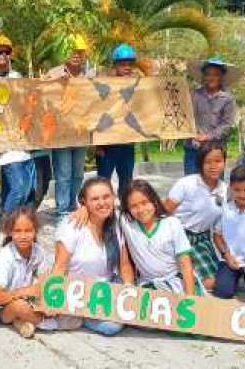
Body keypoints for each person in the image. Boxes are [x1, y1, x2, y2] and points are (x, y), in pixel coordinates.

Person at [49, 177, 134, 335]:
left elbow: (124, 265)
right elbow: (59, 267)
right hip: (79, 293)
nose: (102, 203)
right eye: (95, 199)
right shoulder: (71, 225)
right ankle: (80, 315)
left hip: (107, 288)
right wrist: (52, 299)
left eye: (106, 196)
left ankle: (84, 316)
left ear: (114, 197)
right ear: (84, 202)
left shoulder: (116, 223)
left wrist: (129, 288)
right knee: (111, 326)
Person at [44, 34, 94, 221]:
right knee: (63, 174)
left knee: (78, 174)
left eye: (80, 52)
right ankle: (62, 210)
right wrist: (53, 83)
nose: (76, 55)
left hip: (80, 134)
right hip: (61, 135)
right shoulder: (54, 73)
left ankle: (75, 206)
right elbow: (41, 94)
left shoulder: (89, 75)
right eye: (72, 51)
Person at [164, 142, 227, 291]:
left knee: (221, 281)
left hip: (203, 240)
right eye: (208, 162)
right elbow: (164, 212)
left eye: (218, 161)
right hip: (180, 237)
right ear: (200, 163)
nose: (213, 166)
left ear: (224, 162)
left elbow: (219, 228)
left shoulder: (224, 190)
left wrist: (228, 253)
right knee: (207, 283)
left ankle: (186, 279)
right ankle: (178, 282)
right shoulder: (186, 184)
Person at [0, 35, 36, 219]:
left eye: (6, 51)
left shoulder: (17, 77)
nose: (3, 55)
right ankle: (7, 221)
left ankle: (20, 221)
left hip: (19, 138)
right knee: (18, 188)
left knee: (26, 188)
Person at [119, 179, 197, 294]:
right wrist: (84, 209)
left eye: (144, 203)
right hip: (147, 284)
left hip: (176, 282)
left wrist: (190, 298)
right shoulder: (126, 222)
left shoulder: (172, 223)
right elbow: (102, 208)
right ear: (128, 209)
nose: (141, 210)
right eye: (133, 206)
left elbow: (186, 265)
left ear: (154, 201)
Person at [0, 206, 51, 338]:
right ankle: (48, 323)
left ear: (35, 231)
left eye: (28, 231)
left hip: (32, 301)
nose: (23, 236)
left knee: (53, 301)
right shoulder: (6, 256)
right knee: (20, 306)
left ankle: (23, 322)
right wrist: (21, 292)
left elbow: (45, 282)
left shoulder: (39, 252)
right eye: (17, 231)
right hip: (7, 306)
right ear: (10, 232)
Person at [95, 43, 138, 199]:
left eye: (129, 64)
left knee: (126, 181)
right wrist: (98, 142)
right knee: (103, 182)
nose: (127, 67)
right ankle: (104, 213)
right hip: (107, 145)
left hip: (127, 144)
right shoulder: (105, 85)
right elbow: (97, 113)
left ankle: (126, 213)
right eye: (122, 64)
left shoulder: (138, 86)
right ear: (115, 65)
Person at [212, 165, 245, 300]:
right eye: (237, 190)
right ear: (230, 188)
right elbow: (217, 235)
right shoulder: (225, 210)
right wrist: (227, 255)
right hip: (229, 260)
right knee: (222, 292)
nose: (242, 194)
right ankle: (230, 279)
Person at [184, 57, 238, 176]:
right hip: (193, 149)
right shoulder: (194, 95)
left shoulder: (227, 99)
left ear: (221, 77)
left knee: (214, 188)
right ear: (203, 77)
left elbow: (226, 125)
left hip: (215, 151)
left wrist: (207, 136)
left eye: (216, 74)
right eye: (208, 74)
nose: (211, 78)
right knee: (191, 185)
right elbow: (185, 117)